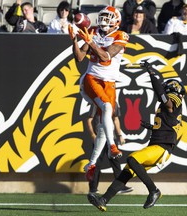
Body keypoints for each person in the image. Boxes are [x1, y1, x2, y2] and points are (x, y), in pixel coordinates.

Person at [87, 61, 185, 211]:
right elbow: (168, 126)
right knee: (127, 171)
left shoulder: (175, 102)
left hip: (162, 148)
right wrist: (152, 127)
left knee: (132, 159)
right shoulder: (169, 109)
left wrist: (152, 74)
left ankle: (154, 191)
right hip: (157, 147)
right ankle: (103, 200)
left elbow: (165, 99)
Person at [68, 6, 129, 180]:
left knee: (103, 125)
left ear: (116, 20)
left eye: (108, 17)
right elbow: (80, 58)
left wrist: (90, 41)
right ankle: (112, 146)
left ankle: (92, 164)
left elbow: (105, 57)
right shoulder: (93, 31)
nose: (104, 20)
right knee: (108, 108)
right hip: (91, 79)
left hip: (109, 83)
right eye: (102, 17)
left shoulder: (121, 35)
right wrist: (74, 41)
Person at [86, 103, 133, 194]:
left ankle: (120, 186)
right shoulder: (97, 102)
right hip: (99, 138)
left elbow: (116, 119)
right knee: (96, 163)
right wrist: (93, 135)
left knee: (116, 163)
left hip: (111, 139)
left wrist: (119, 135)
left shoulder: (114, 103)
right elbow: (89, 119)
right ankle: (93, 189)